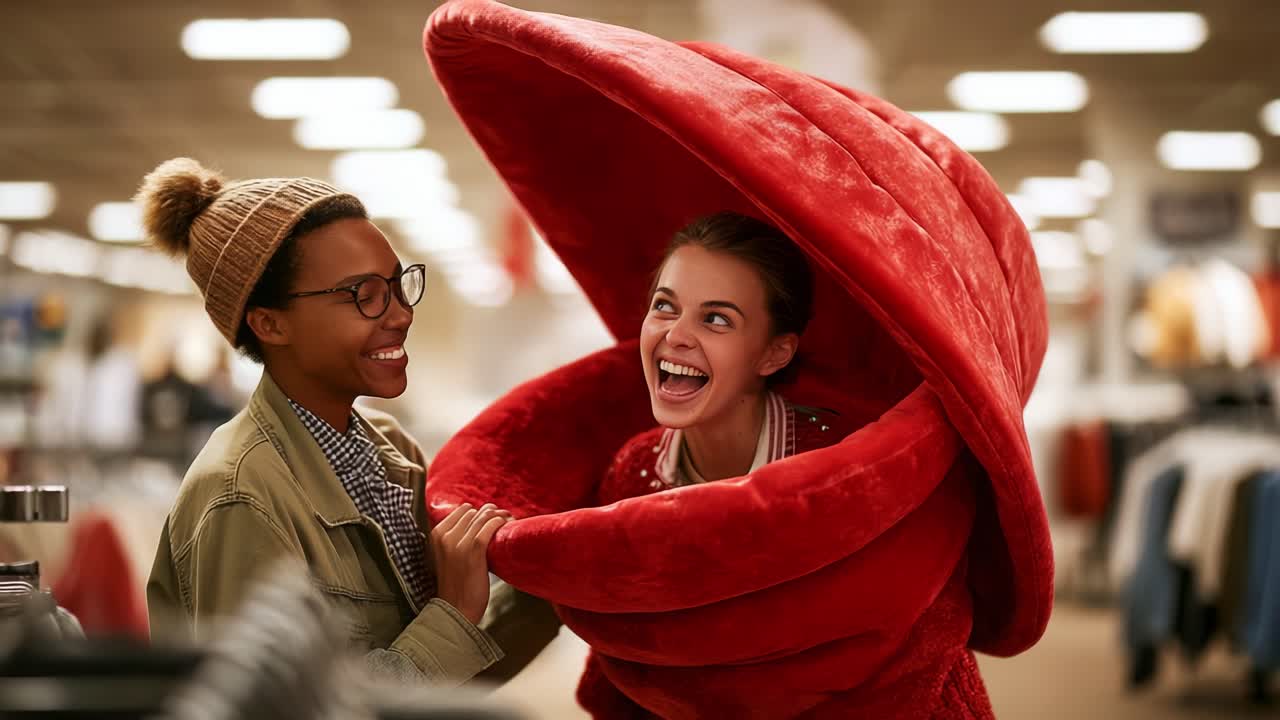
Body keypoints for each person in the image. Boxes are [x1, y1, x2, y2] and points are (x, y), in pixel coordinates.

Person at [140, 158, 558, 685]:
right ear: (270, 324)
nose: (401, 313)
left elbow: (446, 678)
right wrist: (450, 616)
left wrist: (546, 585)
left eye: (397, 284)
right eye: (363, 295)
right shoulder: (239, 497)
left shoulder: (392, 450)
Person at [584, 211, 855, 714]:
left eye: (716, 319)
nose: (677, 336)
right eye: (665, 307)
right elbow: (622, 657)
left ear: (774, 354)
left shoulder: (843, 464)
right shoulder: (631, 469)